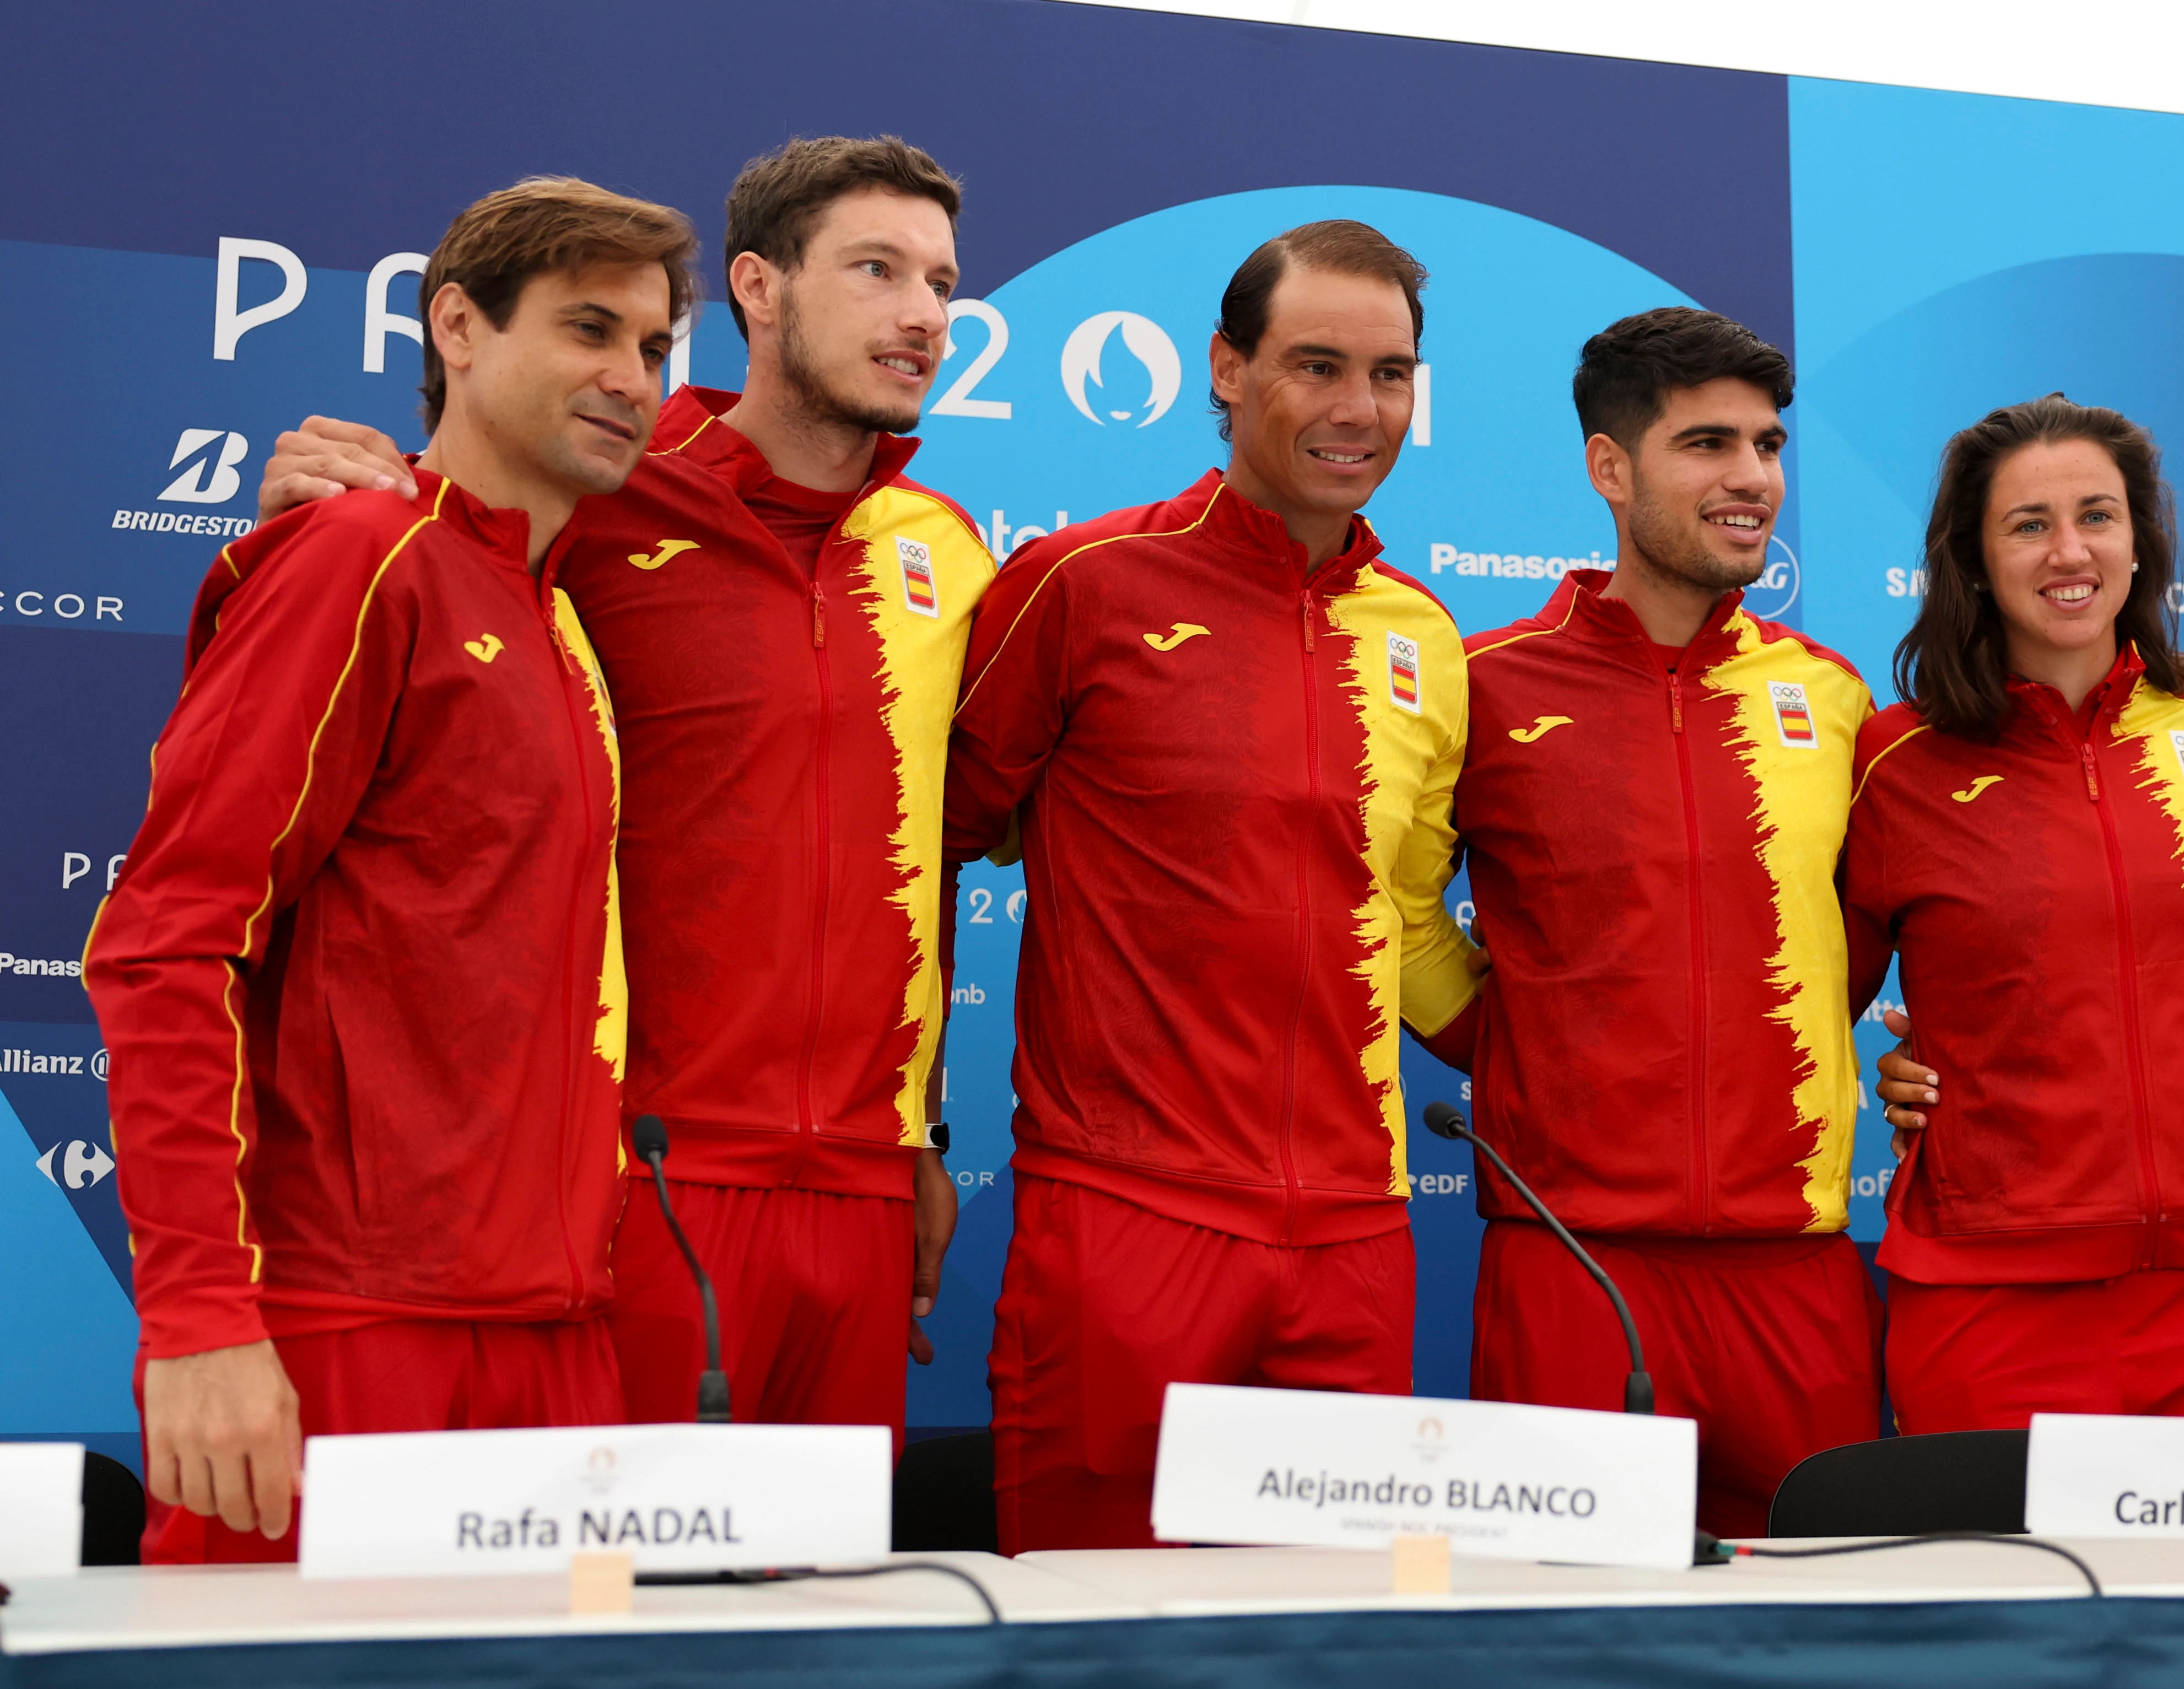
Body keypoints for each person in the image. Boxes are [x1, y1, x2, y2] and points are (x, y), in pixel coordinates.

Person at [252, 138, 993, 1439]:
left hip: (870, 1199)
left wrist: (921, 1127)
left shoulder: (946, 550)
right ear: (759, 291)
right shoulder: (594, 489)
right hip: (638, 1174)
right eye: (877, 270)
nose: (922, 313)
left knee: (823, 1627)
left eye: (941, 281)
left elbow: (933, 840)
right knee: (621, 1617)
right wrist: (290, 516)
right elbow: (395, 596)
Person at [88, 178, 692, 1560]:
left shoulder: (559, 620)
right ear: (459, 328)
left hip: (553, 1338)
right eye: (589, 328)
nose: (630, 377)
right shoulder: (359, 557)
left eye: (656, 348)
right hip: (343, 1331)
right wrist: (199, 1318)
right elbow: (167, 944)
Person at [944, 220, 1481, 1553]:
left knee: (1328, 1645)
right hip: (1128, 1214)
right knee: (1089, 1631)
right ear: (1227, 369)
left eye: (1392, 373)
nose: (1361, 410)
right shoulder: (1080, 585)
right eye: (1316, 365)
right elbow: (920, 842)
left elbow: (1409, 930)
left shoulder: (1424, 634)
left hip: (1358, 1231)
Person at [1416, 307, 1879, 1538]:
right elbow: (1400, 911)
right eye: (1708, 444)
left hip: (1796, 1263)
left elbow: (1867, 930)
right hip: (1572, 1259)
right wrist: (1519, 1046)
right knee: (1560, 1636)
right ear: (1609, 469)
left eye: (1768, 446)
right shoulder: (1490, 682)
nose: (1750, 479)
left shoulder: (1831, 697)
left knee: (1828, 1620)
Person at [1843, 395, 2184, 1432]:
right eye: (2028, 524)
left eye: (2097, 515)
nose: (2069, 551)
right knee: (1996, 1595)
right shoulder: (1898, 760)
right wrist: (1898, 1064)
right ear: (1973, 560)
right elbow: (1814, 995)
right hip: (1987, 1292)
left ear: (2140, 544)